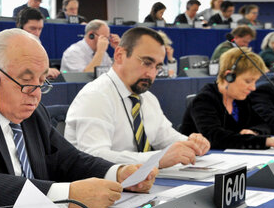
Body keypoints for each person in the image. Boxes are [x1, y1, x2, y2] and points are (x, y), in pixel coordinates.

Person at [0, 28, 156, 208]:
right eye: (27, 81)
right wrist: (69, 195)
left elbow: (67, 158)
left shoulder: (31, 109)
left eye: (42, 81)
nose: (36, 93)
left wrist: (117, 173)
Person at [65, 27, 209, 168]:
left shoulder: (147, 98)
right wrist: (156, 159)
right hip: (96, 187)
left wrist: (192, 143)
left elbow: (165, 136)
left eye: (157, 67)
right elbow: (94, 156)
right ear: (119, 55)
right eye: (147, 63)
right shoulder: (96, 96)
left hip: (136, 185)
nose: (152, 74)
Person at [180, 47, 274, 150]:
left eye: (255, 82)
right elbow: (216, 138)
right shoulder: (204, 100)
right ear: (229, 76)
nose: (253, 88)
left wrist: (253, 132)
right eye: (248, 81)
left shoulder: (241, 100)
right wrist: (267, 141)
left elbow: (263, 124)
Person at [16, 7, 59, 80]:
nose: (37, 33)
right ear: (20, 27)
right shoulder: (12, 46)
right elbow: (17, 71)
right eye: (33, 28)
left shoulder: (38, 44)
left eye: (40, 29)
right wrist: (43, 72)